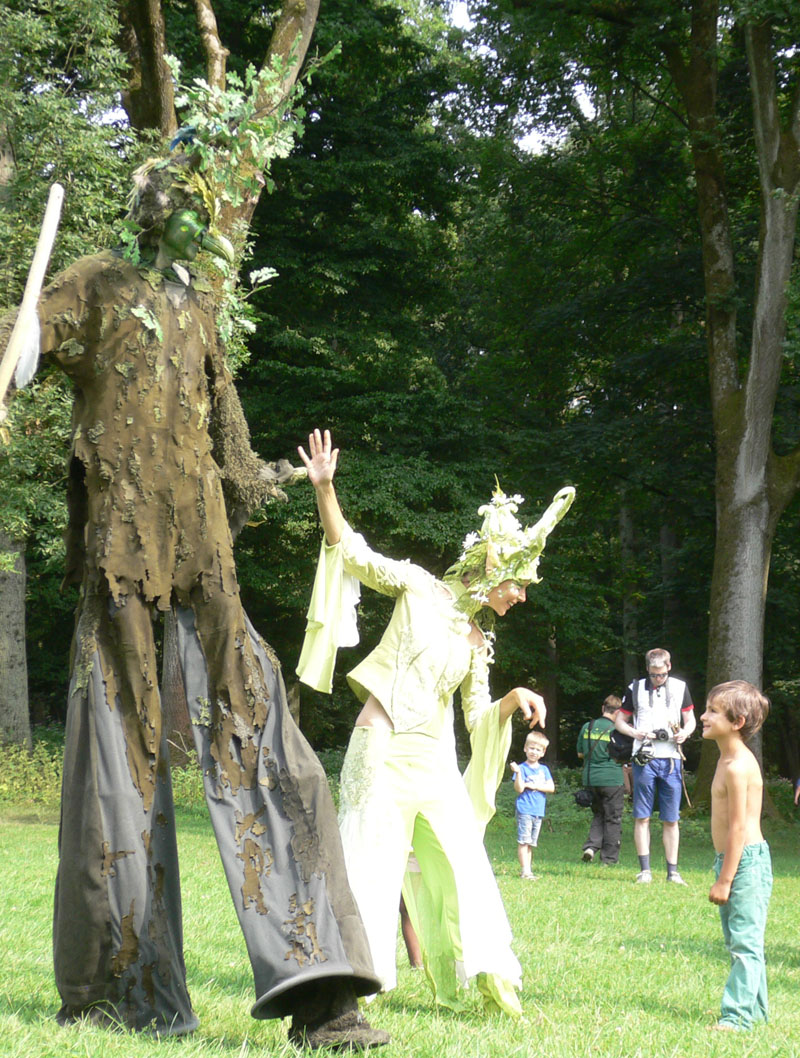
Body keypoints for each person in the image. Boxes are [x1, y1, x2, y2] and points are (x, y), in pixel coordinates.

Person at [0, 160, 387, 1048]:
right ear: (154, 214)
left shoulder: (200, 310)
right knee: (116, 761)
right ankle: (119, 990)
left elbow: (229, 443)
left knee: (265, 744)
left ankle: (324, 994)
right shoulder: (97, 282)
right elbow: (26, 345)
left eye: (207, 210)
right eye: (185, 206)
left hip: (204, 552)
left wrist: (286, 477)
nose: (201, 220)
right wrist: (12, 363)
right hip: (120, 556)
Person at [296, 428, 575, 1016]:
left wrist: (513, 697)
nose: (522, 596)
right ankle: (347, 987)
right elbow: (352, 552)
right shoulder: (420, 589)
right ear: (493, 567)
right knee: (369, 862)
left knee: (464, 862)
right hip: (382, 743)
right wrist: (325, 489)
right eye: (519, 583)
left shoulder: (479, 642)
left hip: (434, 762)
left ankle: (492, 981)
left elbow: (476, 718)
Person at [701, 680, 771, 1032]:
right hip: (732, 861)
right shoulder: (725, 758)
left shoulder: (737, 766)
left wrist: (726, 879)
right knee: (740, 940)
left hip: (745, 864)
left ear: (738, 721)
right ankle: (755, 1011)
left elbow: (739, 829)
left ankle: (738, 1017)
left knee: (745, 942)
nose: (704, 716)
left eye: (713, 711)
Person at [615, 648, 696, 884]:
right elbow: (620, 720)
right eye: (653, 675)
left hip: (671, 757)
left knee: (671, 818)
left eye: (661, 674)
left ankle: (673, 871)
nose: (657, 679)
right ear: (648, 670)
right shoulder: (636, 688)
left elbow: (690, 721)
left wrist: (684, 734)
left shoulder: (680, 687)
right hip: (644, 757)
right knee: (642, 816)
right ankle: (645, 870)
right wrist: (634, 733)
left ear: (669, 667)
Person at [576, 695, 625, 865]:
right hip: (612, 780)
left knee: (598, 814)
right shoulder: (618, 730)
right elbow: (623, 756)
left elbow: (580, 753)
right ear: (618, 712)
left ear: (603, 708)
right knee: (613, 819)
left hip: (590, 780)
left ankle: (591, 847)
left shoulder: (587, 726)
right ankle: (609, 859)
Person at [510, 730, 554, 879]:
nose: (534, 752)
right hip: (525, 809)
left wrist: (534, 786)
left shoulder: (544, 770)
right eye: (531, 748)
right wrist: (518, 774)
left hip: (538, 810)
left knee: (530, 843)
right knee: (524, 841)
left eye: (538, 749)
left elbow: (551, 788)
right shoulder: (521, 768)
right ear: (525, 748)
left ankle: (528, 870)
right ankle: (525, 871)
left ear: (543, 752)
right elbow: (519, 788)